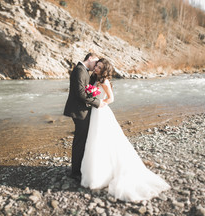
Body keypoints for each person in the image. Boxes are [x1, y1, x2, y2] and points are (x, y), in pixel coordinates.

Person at [80, 58, 170, 202]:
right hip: (95, 112)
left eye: (99, 66)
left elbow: (111, 98)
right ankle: (97, 172)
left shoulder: (104, 82)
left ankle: (105, 173)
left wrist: (100, 104)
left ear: (104, 70)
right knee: (95, 140)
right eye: (96, 65)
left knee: (102, 140)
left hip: (102, 112)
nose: (96, 67)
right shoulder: (95, 79)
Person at [63, 53, 106, 181]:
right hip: (79, 111)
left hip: (82, 110)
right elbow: (81, 94)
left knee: (83, 139)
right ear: (90, 58)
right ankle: (76, 172)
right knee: (80, 141)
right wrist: (98, 103)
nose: (96, 66)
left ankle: (80, 167)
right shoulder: (79, 70)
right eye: (96, 62)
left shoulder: (85, 71)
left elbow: (89, 87)